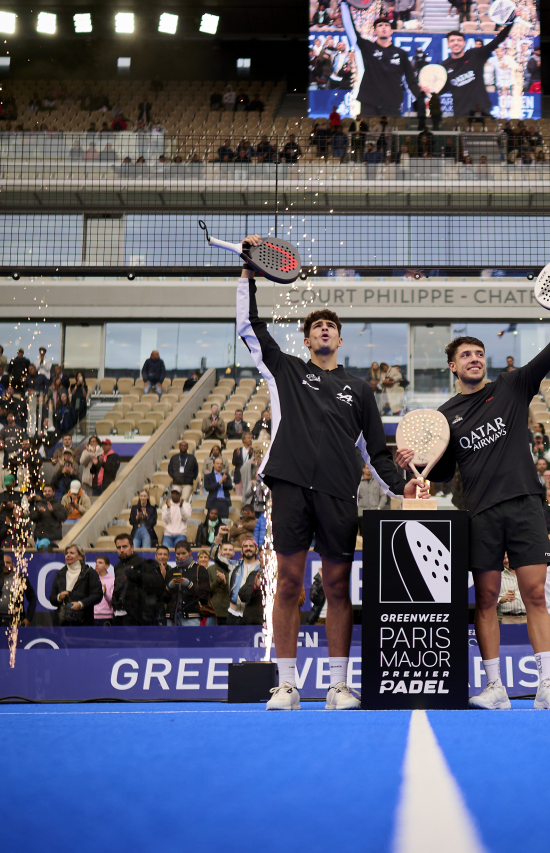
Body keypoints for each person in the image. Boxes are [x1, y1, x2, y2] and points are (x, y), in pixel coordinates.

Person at [396, 276, 550, 712]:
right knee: (488, 599)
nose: (474, 359)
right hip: (478, 512)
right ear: (453, 367)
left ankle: (546, 685)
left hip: (525, 503)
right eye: (465, 355)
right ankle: (494, 686)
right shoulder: (443, 417)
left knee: (535, 594)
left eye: (478, 353)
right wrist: (413, 468)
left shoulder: (511, 388)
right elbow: (445, 472)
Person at [237, 235, 418, 710]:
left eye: (329, 327)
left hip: (339, 495)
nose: (323, 330)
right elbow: (249, 326)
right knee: (290, 585)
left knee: (338, 586)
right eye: (316, 325)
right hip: (292, 488)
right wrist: (248, 274)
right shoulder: (286, 371)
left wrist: (406, 486)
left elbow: (378, 456)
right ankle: (287, 685)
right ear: (306, 337)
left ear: (340, 339)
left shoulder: (359, 390)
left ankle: (338, 685)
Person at [339, 6, 424, 124]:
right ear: (375, 31)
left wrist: (419, 98)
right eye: (380, 26)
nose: (383, 27)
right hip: (369, 103)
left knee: (391, 139)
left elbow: (411, 81)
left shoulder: (401, 54)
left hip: (392, 104)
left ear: (391, 30)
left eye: (386, 25)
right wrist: (344, 6)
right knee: (368, 138)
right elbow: (351, 30)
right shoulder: (367, 48)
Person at [441, 20, 514, 121]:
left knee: (487, 135)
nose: (456, 43)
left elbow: (497, 41)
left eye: (459, 40)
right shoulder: (444, 66)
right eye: (452, 41)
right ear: (448, 44)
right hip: (461, 113)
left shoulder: (476, 54)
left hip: (482, 109)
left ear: (464, 43)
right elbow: (441, 89)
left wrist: (511, 21)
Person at [110, 534, 167, 626]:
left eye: (125, 546)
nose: (121, 550)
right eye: (118, 547)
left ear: (132, 547)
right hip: (118, 613)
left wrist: (136, 574)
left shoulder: (142, 562)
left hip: (137, 615)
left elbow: (156, 583)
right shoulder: (117, 566)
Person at [52, 545, 103, 626]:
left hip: (84, 622)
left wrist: (81, 604)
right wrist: (59, 597)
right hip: (62, 622)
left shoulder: (90, 573)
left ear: (80, 556)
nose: (68, 555)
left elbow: (98, 595)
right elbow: (52, 598)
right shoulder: (59, 574)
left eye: (71, 553)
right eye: (66, 553)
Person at [497, 555, 526, 624]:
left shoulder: (527, 573)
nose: (506, 560)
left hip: (528, 618)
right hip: (508, 619)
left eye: (509, 557)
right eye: (503, 558)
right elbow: (489, 598)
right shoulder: (498, 576)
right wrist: (501, 600)